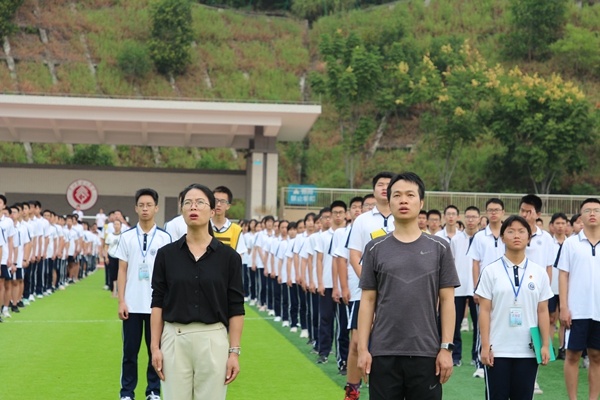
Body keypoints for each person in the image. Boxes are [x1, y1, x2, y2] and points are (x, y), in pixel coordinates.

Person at [357, 172, 459, 400]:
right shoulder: (375, 248)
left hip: (426, 352)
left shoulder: (440, 247)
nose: (403, 200)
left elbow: (447, 301)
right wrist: (363, 349)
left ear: (421, 203)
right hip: (384, 352)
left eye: (410, 195)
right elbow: (368, 301)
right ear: (389, 201)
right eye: (397, 195)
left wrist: (446, 348)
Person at [150, 183, 244, 400]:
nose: (193, 207)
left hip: (213, 339)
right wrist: (155, 347)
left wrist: (234, 352)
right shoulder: (166, 255)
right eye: (188, 203)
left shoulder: (229, 257)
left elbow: (236, 307)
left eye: (200, 202)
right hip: (174, 339)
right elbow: (157, 302)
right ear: (182, 210)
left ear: (212, 211)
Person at [476, 215, 553, 400]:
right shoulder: (490, 271)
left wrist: (545, 345)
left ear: (529, 237)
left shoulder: (539, 272)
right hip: (497, 350)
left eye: (521, 231)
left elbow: (543, 311)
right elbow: (484, 311)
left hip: (528, 351)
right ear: (502, 238)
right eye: (510, 231)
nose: (516, 235)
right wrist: (485, 346)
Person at [115, 188, 172, 400]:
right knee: (129, 352)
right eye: (141, 205)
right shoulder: (127, 236)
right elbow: (122, 269)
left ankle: (153, 391)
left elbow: (170, 274)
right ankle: (127, 393)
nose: (145, 209)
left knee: (154, 350)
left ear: (156, 208)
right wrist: (121, 301)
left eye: (149, 205)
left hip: (156, 306)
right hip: (131, 304)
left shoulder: (165, 238)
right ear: (136, 208)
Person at [345, 172, 394, 400]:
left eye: (388, 185)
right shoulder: (363, 220)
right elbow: (354, 255)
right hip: (364, 292)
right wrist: (369, 281)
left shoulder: (403, 217)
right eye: (380, 184)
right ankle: (352, 390)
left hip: (395, 293)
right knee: (357, 342)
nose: (384, 188)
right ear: (373, 190)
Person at [558, 198, 600, 400]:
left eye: (596, 210)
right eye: (587, 210)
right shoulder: (571, 243)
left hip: (598, 310)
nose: (592, 214)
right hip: (577, 310)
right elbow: (563, 275)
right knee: (572, 355)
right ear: (580, 216)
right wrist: (563, 307)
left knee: (596, 356)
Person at [449, 206, 481, 367]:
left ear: (479, 219)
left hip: (477, 288)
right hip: (458, 288)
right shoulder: (456, 239)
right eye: (468, 217)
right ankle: (456, 356)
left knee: (479, 323)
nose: (470, 220)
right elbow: (451, 262)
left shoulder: (482, 239)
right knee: (454, 324)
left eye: (474, 217)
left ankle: (477, 355)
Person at [549, 212, 568, 360]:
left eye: (563, 223)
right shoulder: (548, 243)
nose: (560, 226)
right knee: (550, 319)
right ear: (552, 226)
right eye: (557, 223)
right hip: (550, 287)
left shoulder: (571, 243)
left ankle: (563, 348)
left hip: (565, 288)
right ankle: (548, 347)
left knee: (564, 320)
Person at [211, 186, 247, 256]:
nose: (218, 204)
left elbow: (239, 256)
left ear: (228, 206)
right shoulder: (203, 226)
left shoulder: (236, 230)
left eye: (222, 201)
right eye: (216, 201)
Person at [104, 219, 122, 297]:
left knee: (120, 274)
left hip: (120, 257)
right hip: (111, 256)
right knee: (112, 274)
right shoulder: (109, 235)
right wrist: (106, 257)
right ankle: (113, 290)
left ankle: (119, 291)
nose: (116, 226)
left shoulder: (123, 235)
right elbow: (106, 247)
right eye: (115, 224)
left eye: (118, 224)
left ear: (120, 226)